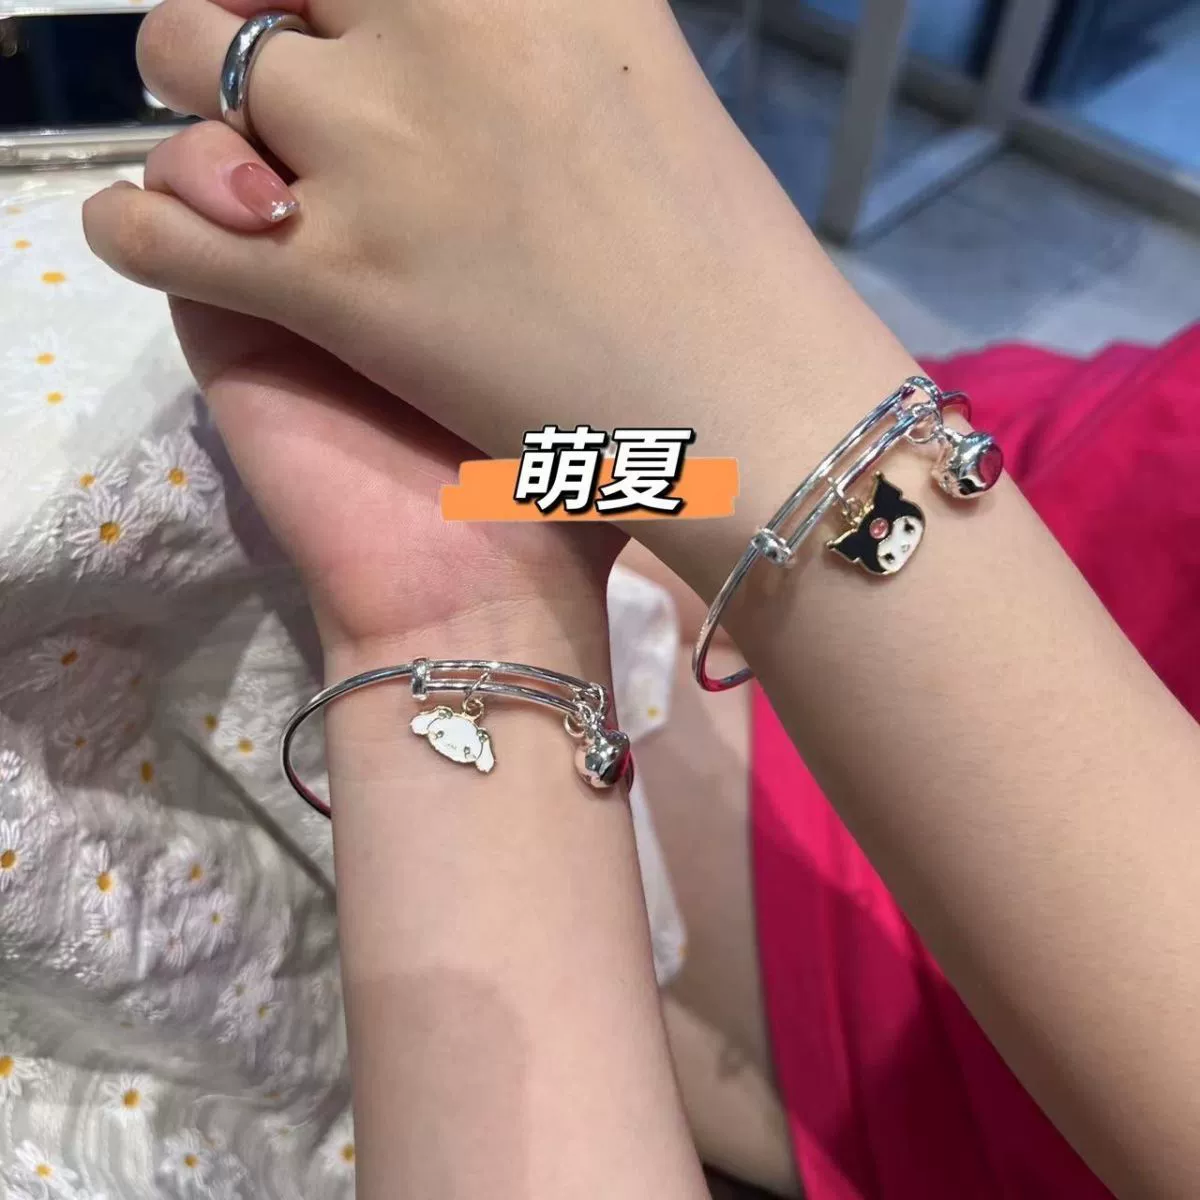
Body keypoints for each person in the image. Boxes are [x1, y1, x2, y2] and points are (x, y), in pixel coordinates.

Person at [81, 0, 1200, 1197]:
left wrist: (462, 610)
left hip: (920, 917)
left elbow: (729, 484)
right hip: (931, 466)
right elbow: (611, 487)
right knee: (457, 460)